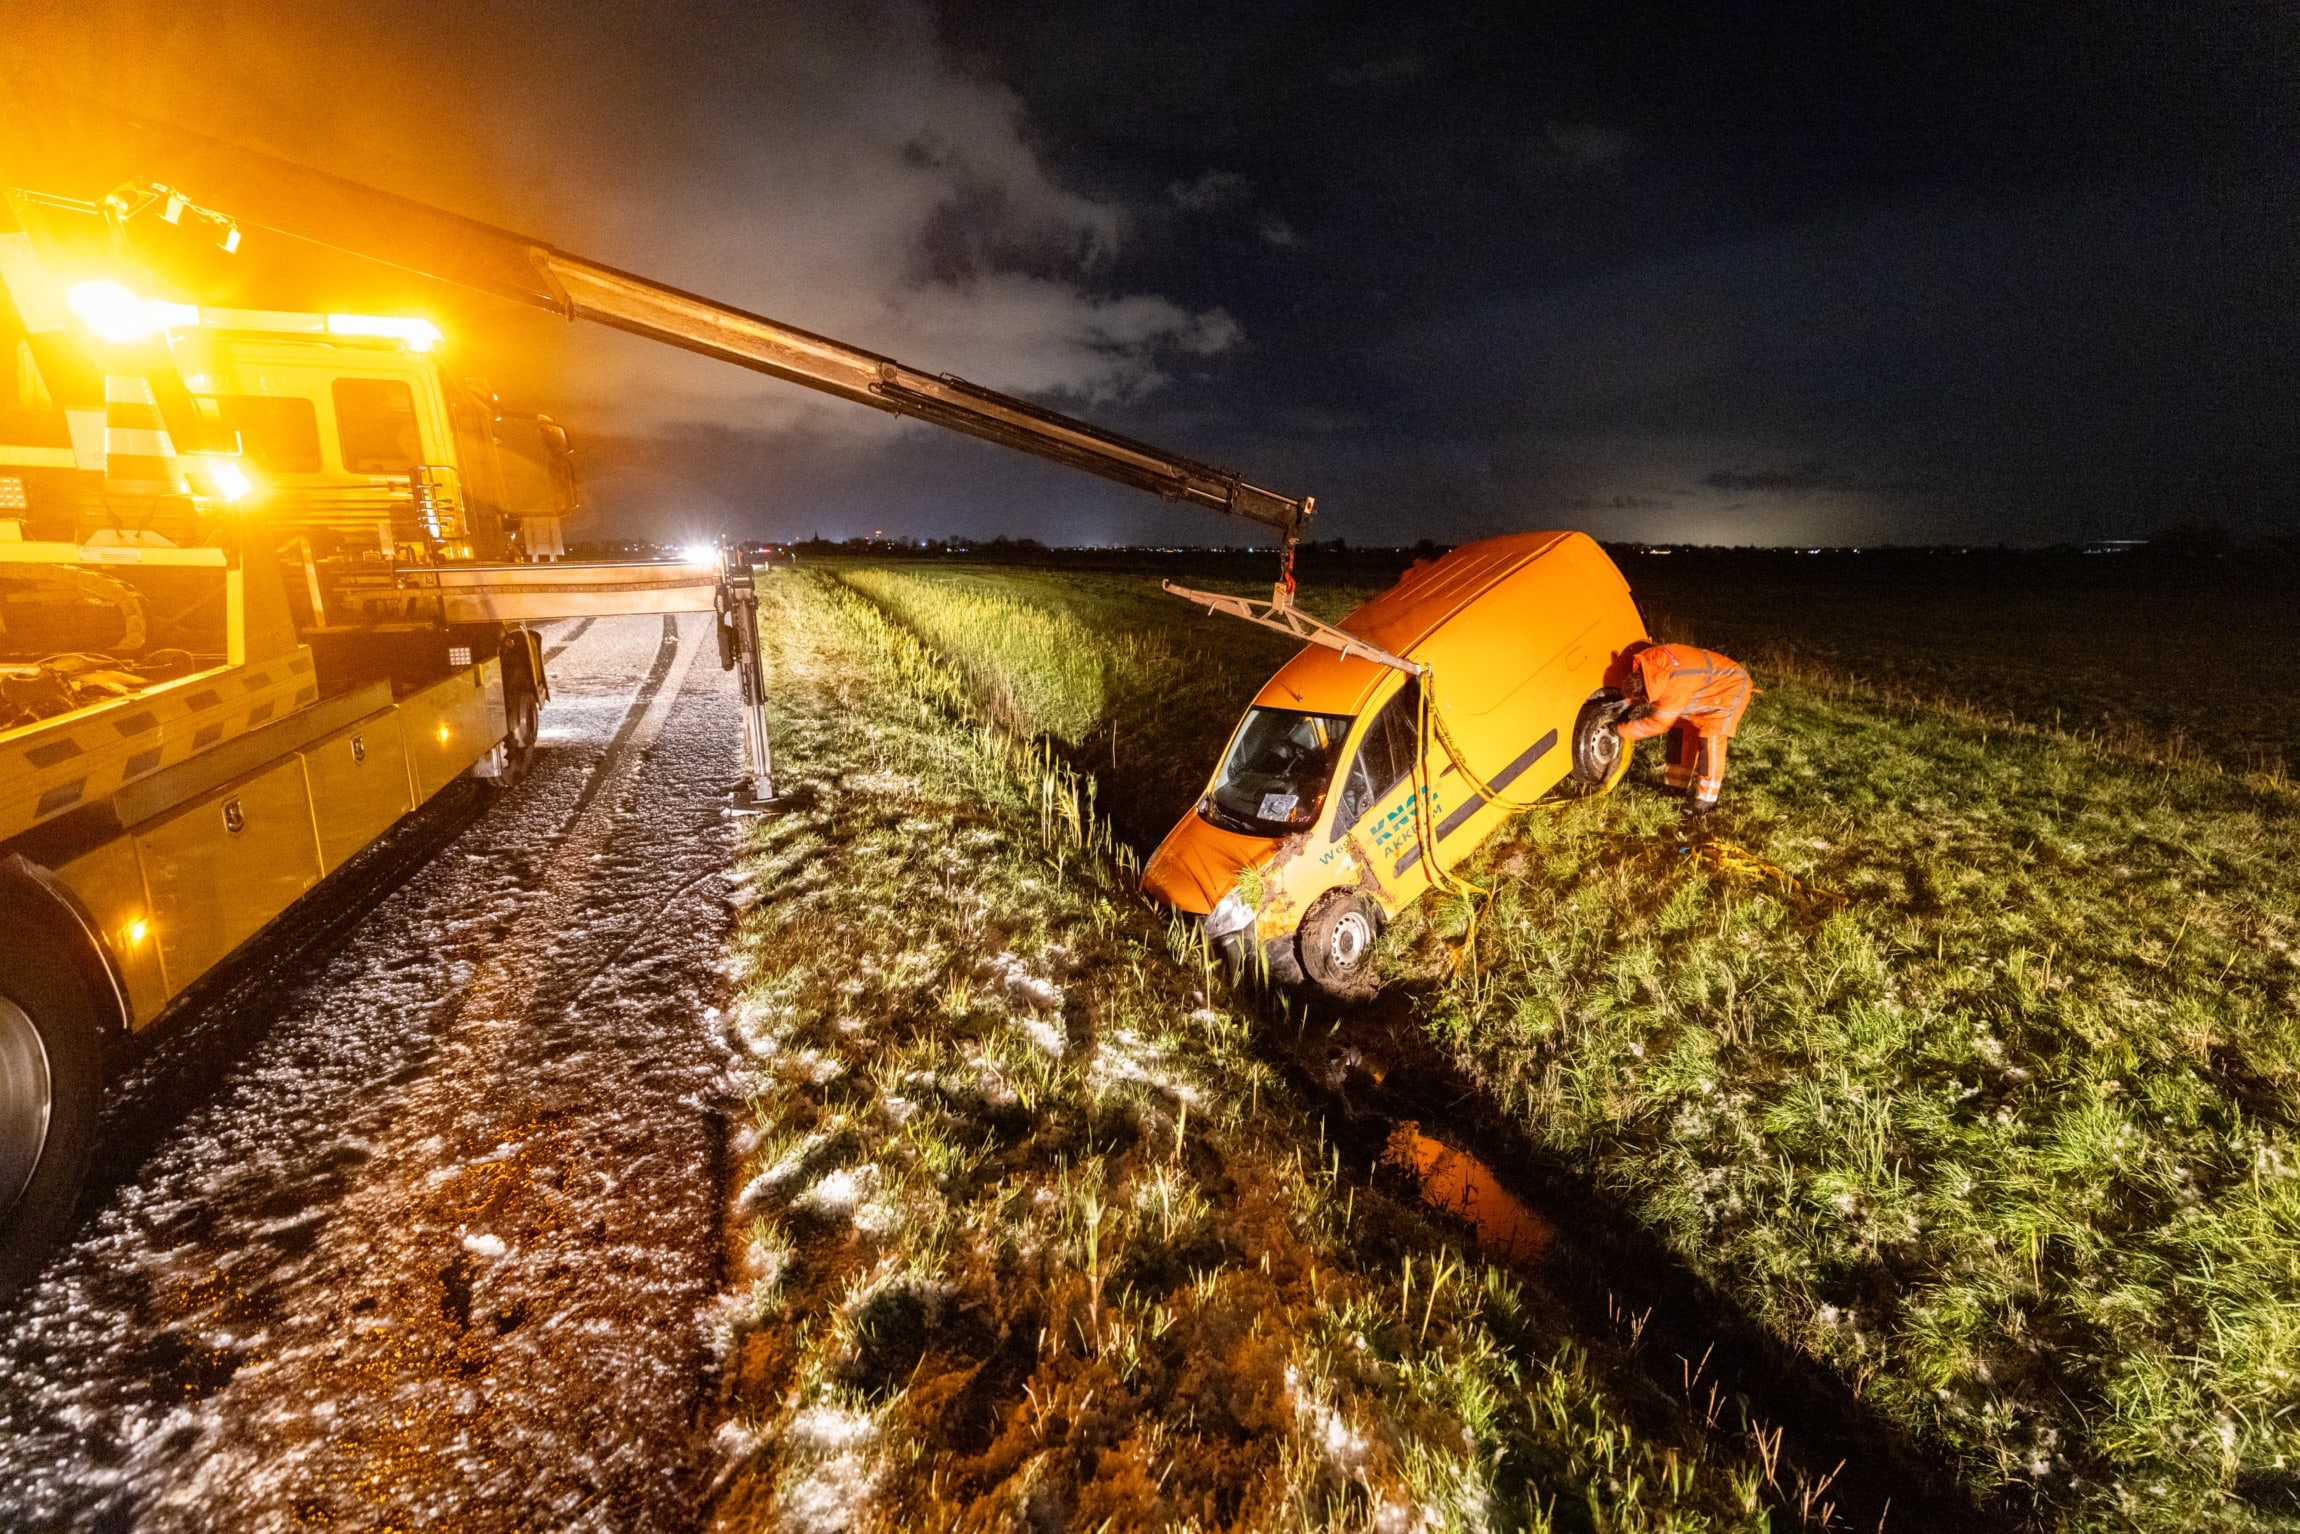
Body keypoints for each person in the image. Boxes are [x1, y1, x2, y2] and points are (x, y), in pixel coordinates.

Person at [1615, 643, 1753, 815]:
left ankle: (1706, 801)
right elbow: (1644, 686)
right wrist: (1627, 702)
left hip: (1730, 686)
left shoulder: (1675, 689)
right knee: (1680, 731)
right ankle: (1674, 787)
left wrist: (1621, 731)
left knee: (1710, 737)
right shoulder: (1649, 659)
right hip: (1701, 683)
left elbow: (1658, 724)